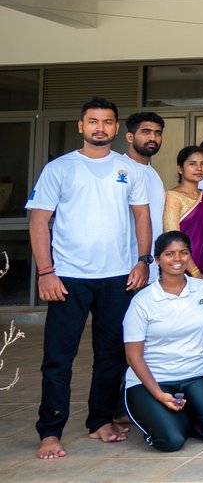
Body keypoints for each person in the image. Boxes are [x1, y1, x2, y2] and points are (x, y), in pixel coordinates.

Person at [28, 97, 152, 459]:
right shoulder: (59, 169)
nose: (101, 127)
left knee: (111, 355)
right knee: (58, 358)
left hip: (118, 277)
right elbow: (39, 221)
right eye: (93, 121)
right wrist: (46, 271)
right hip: (68, 278)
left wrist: (143, 261)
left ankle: (99, 420)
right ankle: (50, 431)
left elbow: (141, 218)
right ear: (81, 126)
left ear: (116, 129)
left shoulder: (130, 170)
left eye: (108, 122)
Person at [123, 231, 203, 452]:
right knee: (171, 441)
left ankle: (181, 419)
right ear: (157, 260)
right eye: (169, 254)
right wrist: (157, 394)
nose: (177, 259)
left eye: (183, 253)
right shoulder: (142, 301)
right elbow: (133, 356)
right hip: (153, 379)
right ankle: (168, 421)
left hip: (196, 373)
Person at [161, 146, 203, 281]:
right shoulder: (173, 197)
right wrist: (194, 272)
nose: (199, 168)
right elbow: (173, 239)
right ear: (180, 168)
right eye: (192, 164)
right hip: (183, 272)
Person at [124, 113, 166, 279]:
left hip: (150, 267)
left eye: (157, 133)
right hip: (127, 266)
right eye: (146, 132)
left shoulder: (153, 173)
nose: (153, 138)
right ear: (129, 137)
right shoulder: (121, 170)